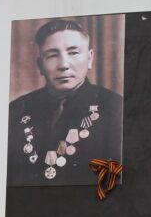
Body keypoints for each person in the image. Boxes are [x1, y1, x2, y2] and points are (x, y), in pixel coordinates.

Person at [7, 18, 123, 186]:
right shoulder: (17, 110)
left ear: (89, 59)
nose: (63, 65)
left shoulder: (115, 108)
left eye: (73, 53)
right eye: (53, 55)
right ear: (40, 65)